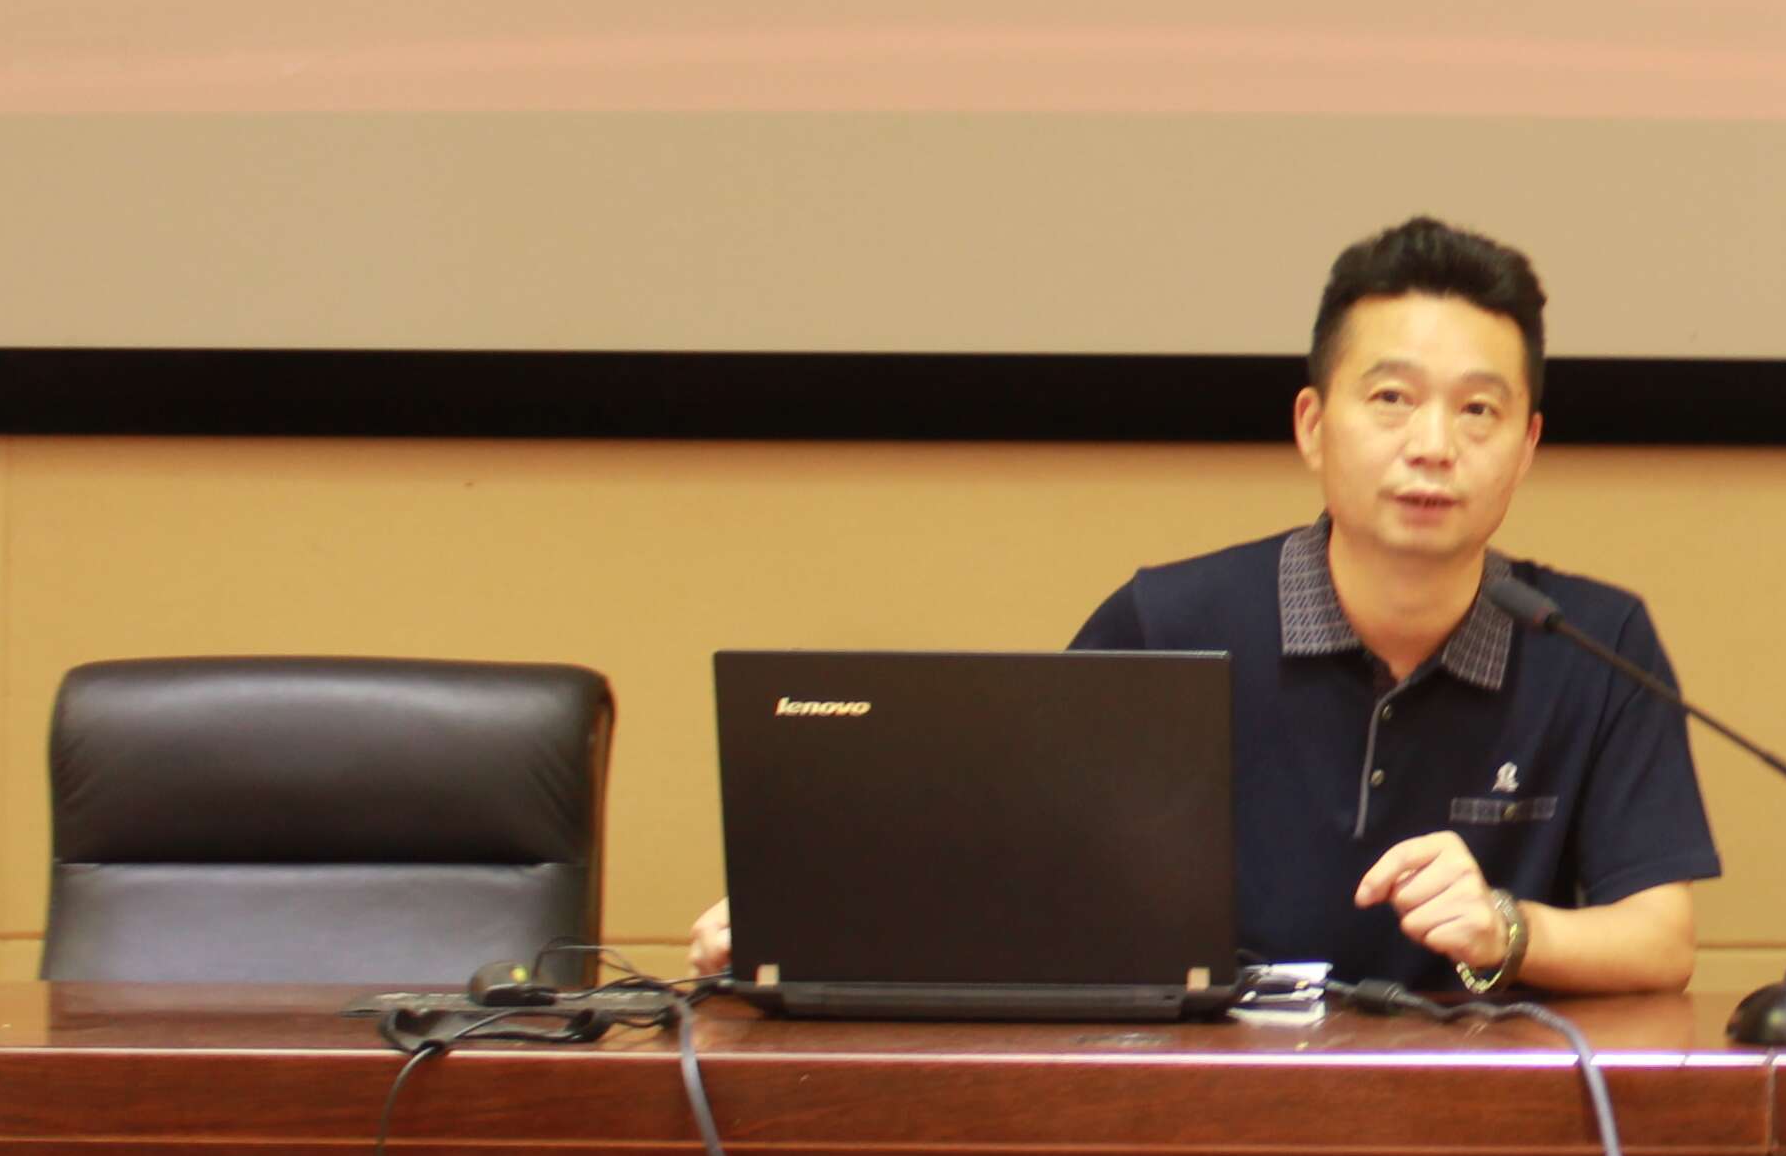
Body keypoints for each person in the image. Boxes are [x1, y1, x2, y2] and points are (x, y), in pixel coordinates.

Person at [691, 217, 1714, 993]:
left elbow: (1661, 940)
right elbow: (1000, 865)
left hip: (1483, 1127)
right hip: (1196, 1107)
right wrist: (817, 921)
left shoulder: (1594, 643)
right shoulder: (1169, 624)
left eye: (1478, 409)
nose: (1433, 446)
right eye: (1392, 399)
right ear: (1312, 425)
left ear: (1526, 447)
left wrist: (1508, 927)